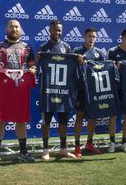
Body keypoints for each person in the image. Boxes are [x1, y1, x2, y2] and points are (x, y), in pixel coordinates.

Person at [0, 19, 36, 165]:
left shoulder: (27, 47)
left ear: (21, 29)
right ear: (6, 29)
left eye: (16, 27)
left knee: (21, 120)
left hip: (20, 87)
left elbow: (33, 65)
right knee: (0, 119)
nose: (14, 29)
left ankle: (23, 152)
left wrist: (33, 69)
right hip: (3, 87)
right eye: (11, 27)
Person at [37, 20, 82, 160]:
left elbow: (74, 68)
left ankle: (63, 148)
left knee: (63, 121)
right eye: (55, 30)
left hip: (63, 91)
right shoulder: (43, 47)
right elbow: (38, 69)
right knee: (46, 121)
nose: (57, 32)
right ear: (49, 30)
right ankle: (45, 149)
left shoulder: (67, 47)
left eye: (60, 30)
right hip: (48, 90)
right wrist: (39, 60)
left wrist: (79, 61)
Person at [73, 27, 106, 157]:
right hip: (81, 89)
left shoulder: (100, 53)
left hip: (95, 90)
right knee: (80, 117)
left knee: (93, 117)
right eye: (89, 36)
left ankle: (89, 143)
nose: (91, 39)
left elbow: (104, 71)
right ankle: (76, 146)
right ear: (84, 37)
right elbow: (72, 70)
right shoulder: (76, 51)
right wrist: (80, 64)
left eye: (94, 37)